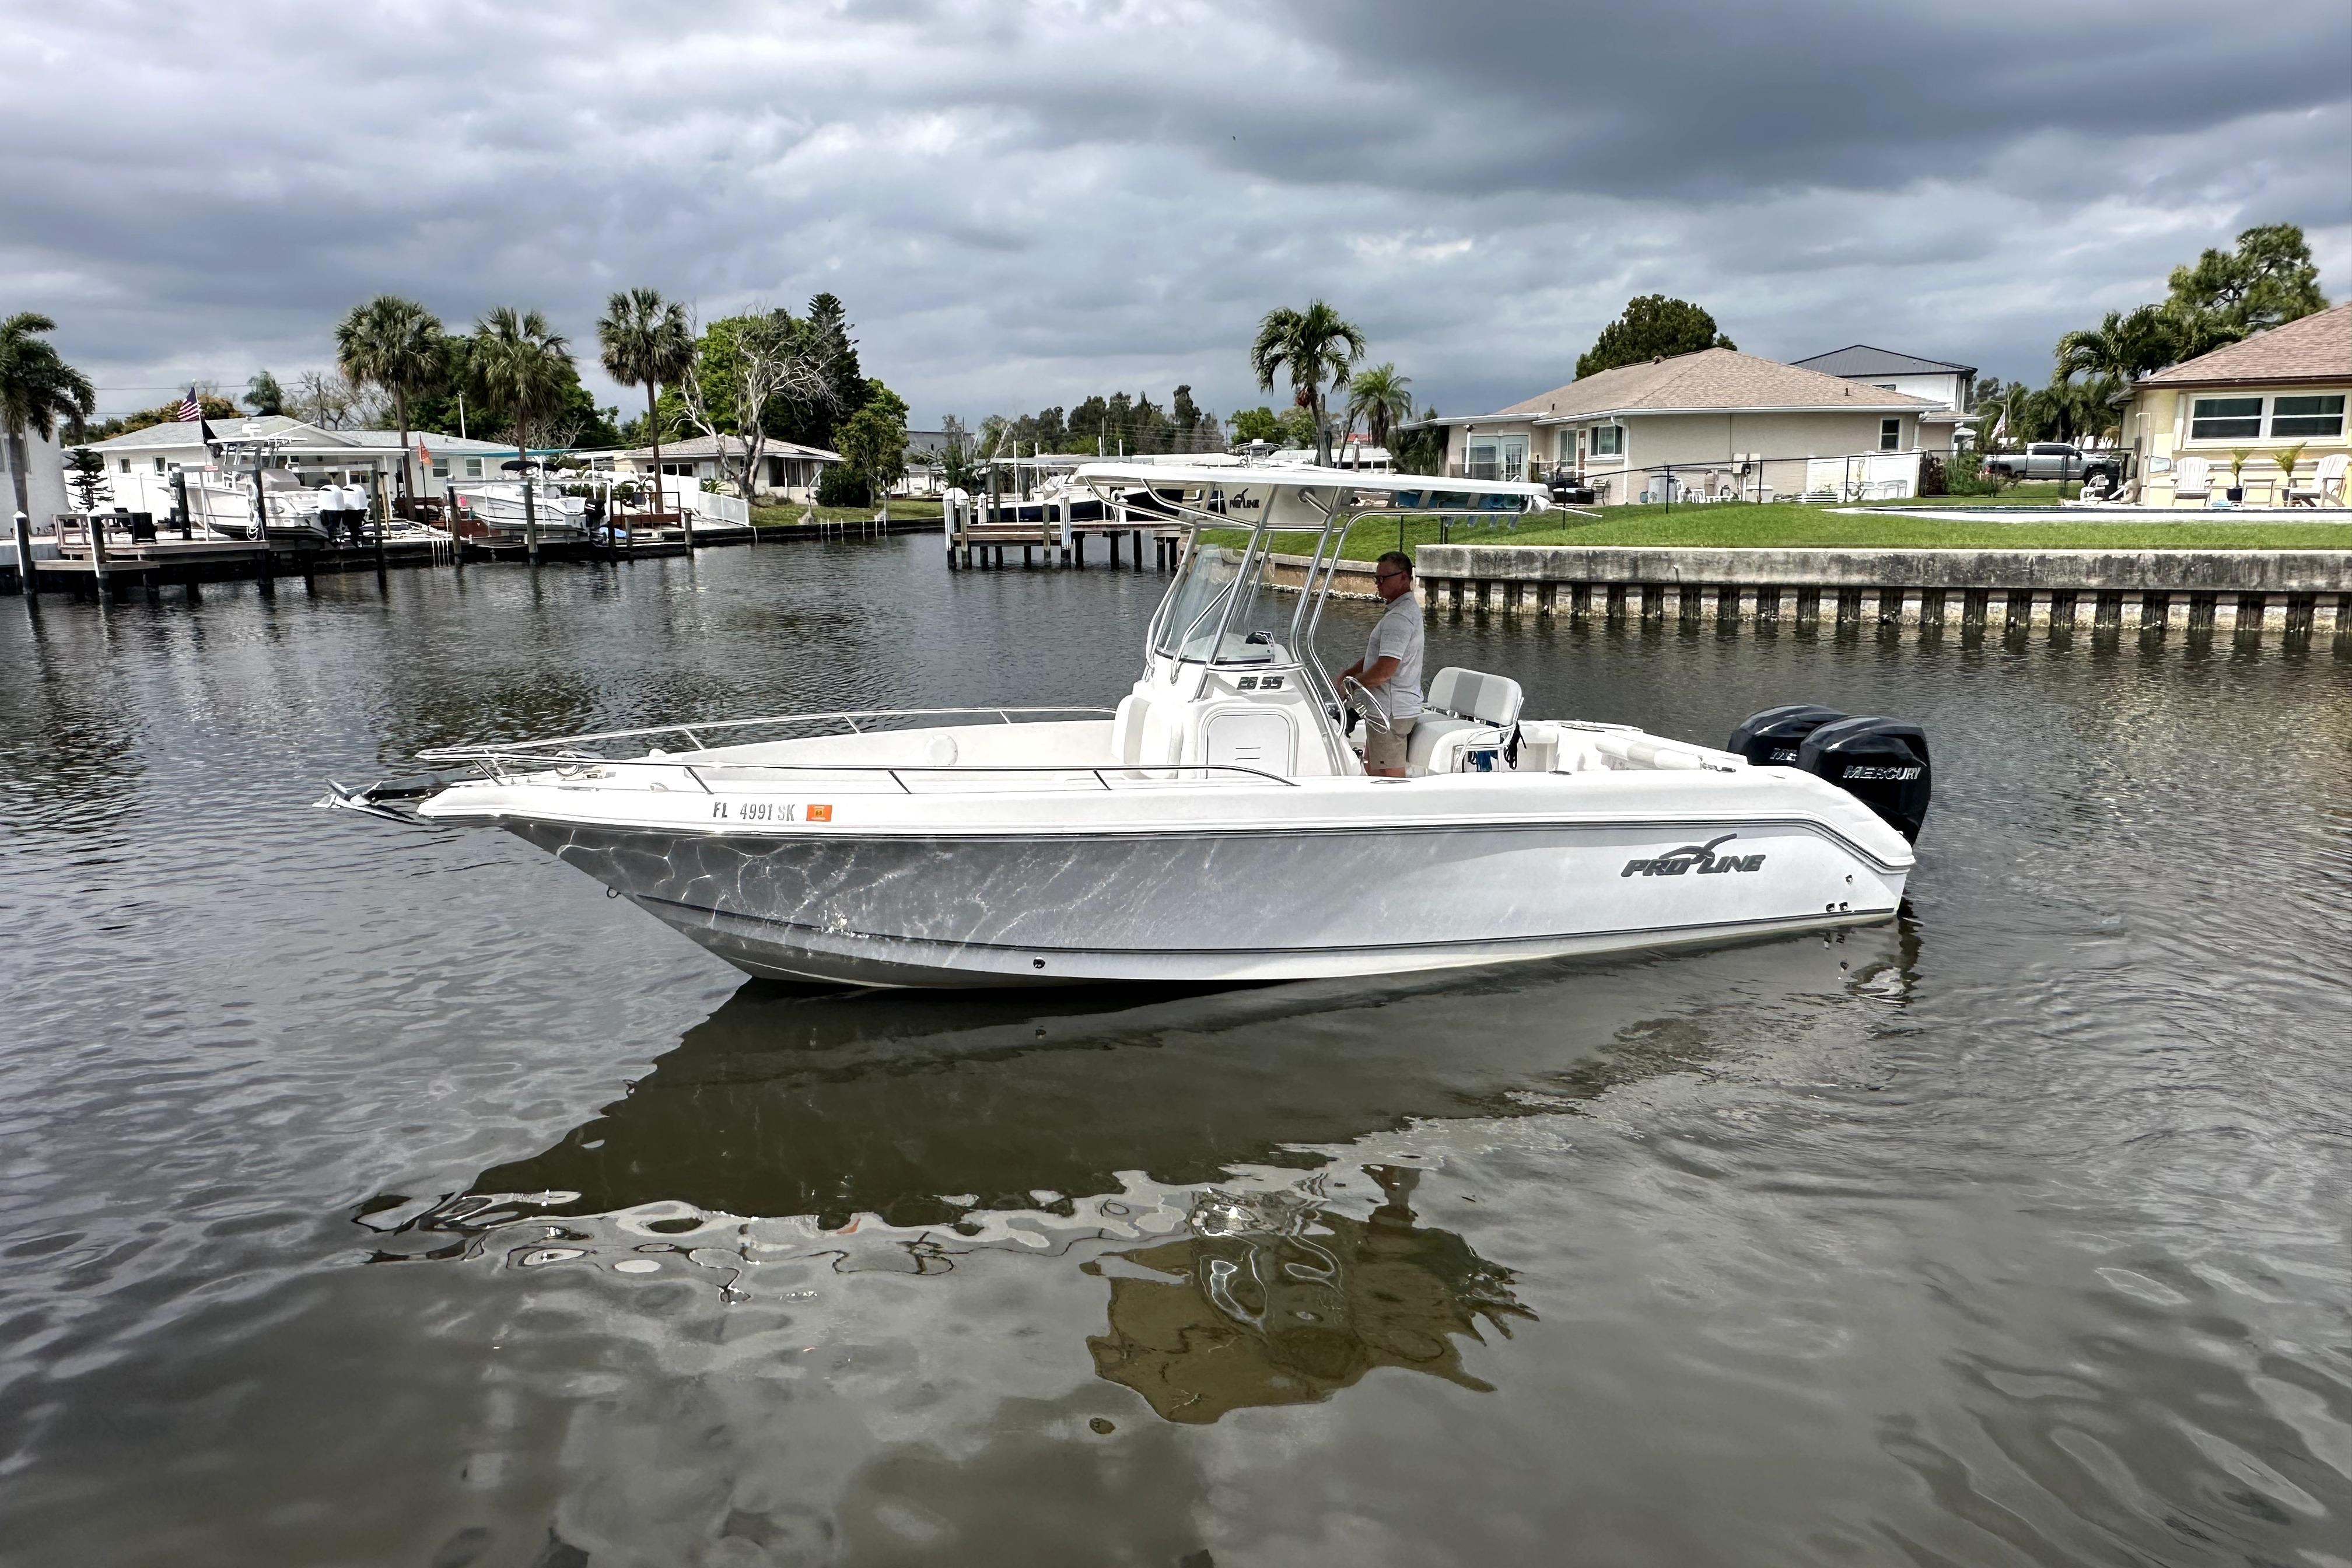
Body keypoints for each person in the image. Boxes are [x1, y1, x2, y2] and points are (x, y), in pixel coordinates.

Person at [1337, 550, 1423, 776]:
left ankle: (1397, 811)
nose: (1378, 583)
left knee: (1389, 779)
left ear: (1405, 577)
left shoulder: (1399, 618)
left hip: (1391, 712)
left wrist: (1351, 684)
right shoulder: (1399, 612)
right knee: (1372, 766)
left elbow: (1385, 670)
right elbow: (1381, 656)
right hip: (1388, 708)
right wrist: (1351, 672)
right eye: (1377, 578)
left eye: (1384, 578)